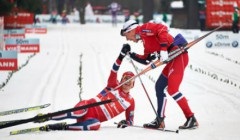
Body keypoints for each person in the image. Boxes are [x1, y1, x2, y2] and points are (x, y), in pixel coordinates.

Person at [34, 44, 135, 131]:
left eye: (130, 80)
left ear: (133, 85)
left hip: (91, 120)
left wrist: (125, 122)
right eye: (125, 78)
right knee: (79, 112)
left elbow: (130, 121)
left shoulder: (130, 101)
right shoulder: (114, 84)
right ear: (121, 80)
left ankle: (64, 127)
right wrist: (121, 56)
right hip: (86, 107)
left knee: (96, 125)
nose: (127, 81)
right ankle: (46, 117)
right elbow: (114, 70)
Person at [120, 19, 199, 129]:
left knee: (173, 89)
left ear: (130, 30)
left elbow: (162, 29)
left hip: (178, 54)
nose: (128, 39)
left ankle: (191, 118)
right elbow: (146, 60)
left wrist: (163, 49)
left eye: (126, 35)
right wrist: (130, 54)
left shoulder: (143, 29)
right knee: (159, 86)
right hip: (171, 59)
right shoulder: (144, 40)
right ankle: (159, 120)